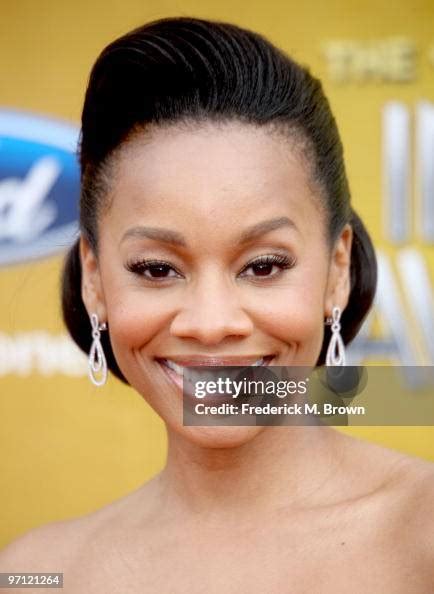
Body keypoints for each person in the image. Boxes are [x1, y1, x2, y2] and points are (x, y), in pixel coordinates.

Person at [1, 16, 433, 593]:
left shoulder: (420, 535)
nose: (211, 325)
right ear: (94, 279)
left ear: (336, 271)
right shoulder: (40, 570)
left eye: (263, 267)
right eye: (157, 269)